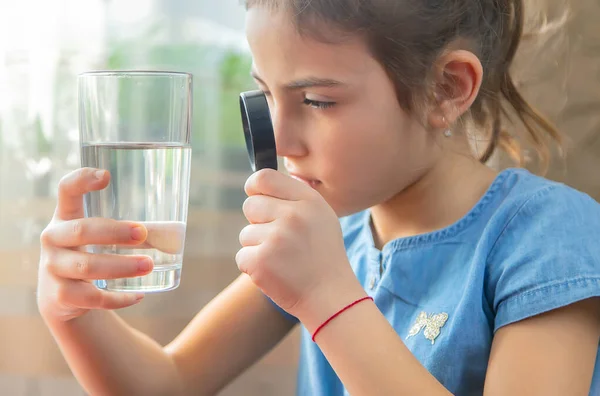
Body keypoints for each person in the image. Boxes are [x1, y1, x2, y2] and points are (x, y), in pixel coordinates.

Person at [37, 1, 600, 395]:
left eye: (316, 101)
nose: (279, 141)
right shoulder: (340, 238)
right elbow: (165, 383)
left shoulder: (549, 237)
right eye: (264, 95)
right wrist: (70, 311)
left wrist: (328, 297)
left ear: (447, 88)